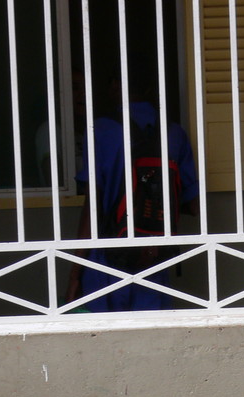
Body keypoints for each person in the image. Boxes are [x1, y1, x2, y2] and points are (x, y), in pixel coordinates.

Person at [66, 67, 199, 312]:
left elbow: (92, 207)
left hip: (106, 257)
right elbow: (193, 205)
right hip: (155, 258)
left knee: (104, 338)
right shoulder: (175, 134)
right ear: (150, 89)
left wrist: (75, 273)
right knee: (152, 339)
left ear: (114, 86)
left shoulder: (100, 131)